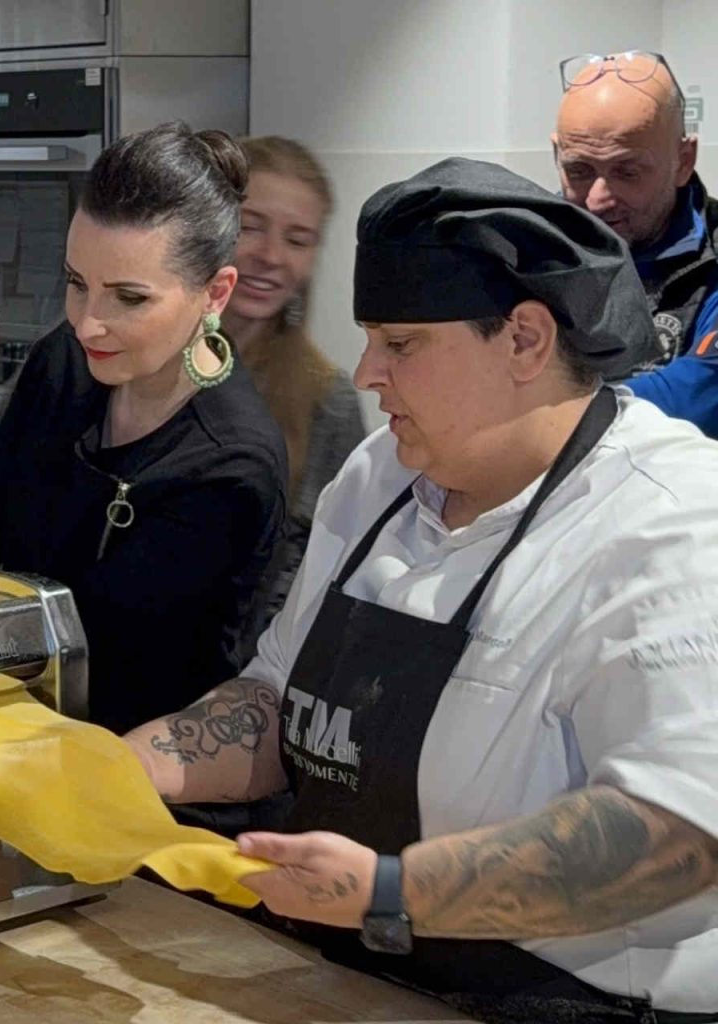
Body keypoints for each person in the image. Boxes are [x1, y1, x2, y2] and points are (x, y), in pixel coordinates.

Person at [126, 158, 718, 1022]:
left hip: (572, 1001)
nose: (367, 373)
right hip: (352, 975)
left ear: (524, 339)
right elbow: (275, 700)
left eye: (401, 344)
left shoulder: (673, 527)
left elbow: (677, 836)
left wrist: (392, 890)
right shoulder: (382, 474)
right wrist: (127, 766)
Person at [0, 123, 287, 736]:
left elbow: (119, 665)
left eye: (128, 298)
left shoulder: (231, 465)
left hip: (131, 779)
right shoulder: (60, 364)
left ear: (215, 293)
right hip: (5, 729)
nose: (88, 324)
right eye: (76, 283)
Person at [223, 135, 366, 658]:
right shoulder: (125, 357)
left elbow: (329, 577)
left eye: (298, 239)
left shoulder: (328, 401)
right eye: (250, 227)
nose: (270, 256)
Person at [554, 49, 718, 432]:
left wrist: (542, 417)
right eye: (578, 170)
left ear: (684, 160)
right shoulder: (526, 244)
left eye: (627, 172)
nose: (597, 200)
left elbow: (700, 394)